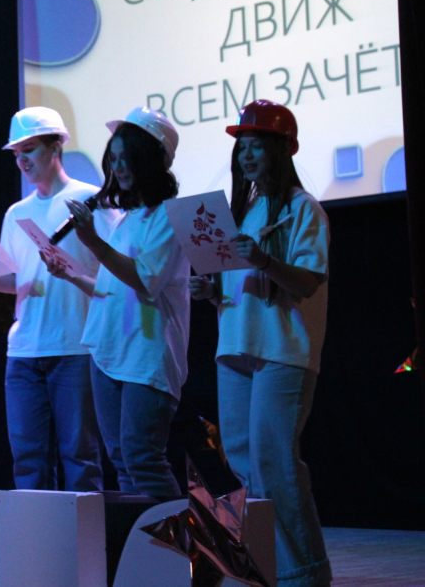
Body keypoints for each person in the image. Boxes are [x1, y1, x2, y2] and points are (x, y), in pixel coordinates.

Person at [189, 100, 331, 586]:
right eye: (242, 147)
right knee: (245, 461)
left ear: (282, 149)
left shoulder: (302, 209)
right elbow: (239, 288)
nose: (246, 155)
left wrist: (265, 262)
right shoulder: (242, 213)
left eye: (256, 146)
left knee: (274, 462)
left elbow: (307, 281)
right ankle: (273, 567)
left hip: (283, 351)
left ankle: (305, 574)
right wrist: (210, 290)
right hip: (236, 346)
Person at [0, 106, 115, 492]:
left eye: (29, 149)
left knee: (80, 456)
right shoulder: (17, 212)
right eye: (16, 153)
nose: (22, 160)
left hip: (76, 346)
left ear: (56, 146)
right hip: (24, 349)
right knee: (28, 458)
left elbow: (116, 274)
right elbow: (19, 280)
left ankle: (83, 532)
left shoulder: (90, 200)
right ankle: (36, 532)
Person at [55, 107, 188, 500]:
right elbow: (114, 288)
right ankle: (143, 540)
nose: (120, 167)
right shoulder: (127, 218)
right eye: (113, 159)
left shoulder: (170, 216)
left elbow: (146, 280)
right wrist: (71, 274)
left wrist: (94, 242)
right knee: (123, 462)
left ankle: (177, 539)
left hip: (146, 356)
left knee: (143, 459)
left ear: (152, 160)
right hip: (110, 350)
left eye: (128, 158)